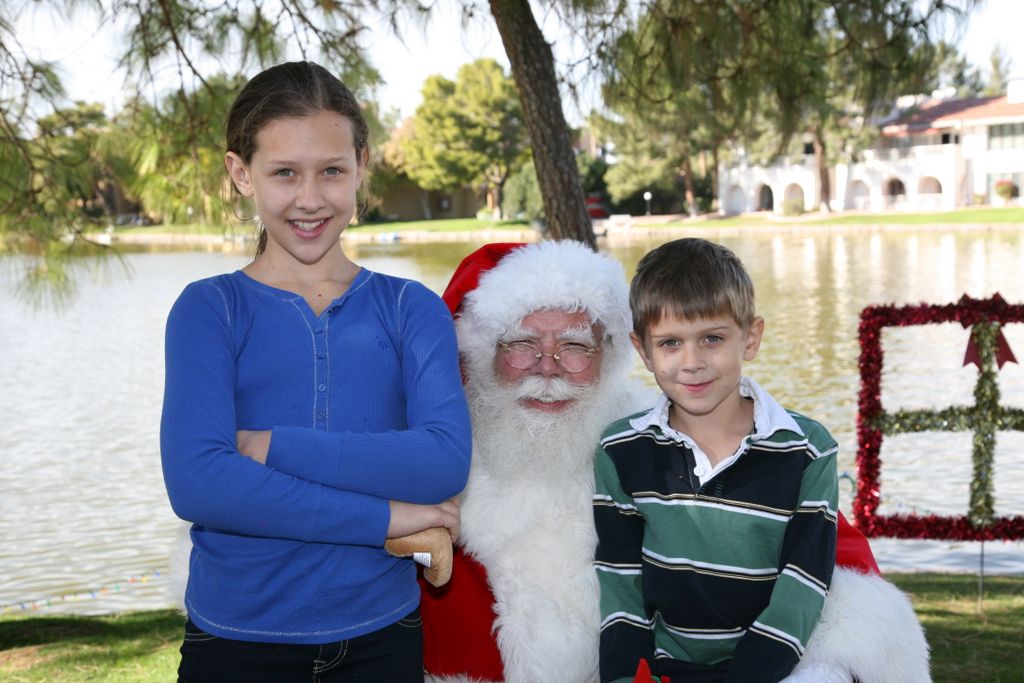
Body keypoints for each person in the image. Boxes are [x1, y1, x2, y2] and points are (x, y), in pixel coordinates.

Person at [421, 240, 930, 683]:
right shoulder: (434, 466)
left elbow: (828, 555)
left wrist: (824, 667)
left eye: (575, 346)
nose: (549, 369)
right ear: (482, 354)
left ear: (612, 354)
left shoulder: (661, 433)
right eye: (522, 345)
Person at [160, 61, 471, 682]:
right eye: (284, 173)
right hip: (235, 643)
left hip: (382, 640)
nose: (310, 198)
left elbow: (441, 463)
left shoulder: (413, 309)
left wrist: (266, 447)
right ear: (241, 174)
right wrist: (389, 519)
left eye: (332, 170)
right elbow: (199, 484)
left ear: (362, 166)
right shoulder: (209, 309)